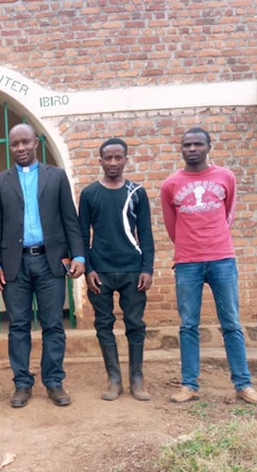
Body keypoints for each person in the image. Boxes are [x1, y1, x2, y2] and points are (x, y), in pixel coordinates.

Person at [161, 127, 257, 405]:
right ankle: (189, 385)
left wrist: (215, 240)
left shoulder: (225, 177)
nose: (192, 149)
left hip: (222, 259)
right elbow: (172, 226)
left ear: (208, 147)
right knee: (188, 325)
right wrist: (189, 246)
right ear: (181, 149)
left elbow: (228, 213)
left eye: (197, 144)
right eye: (186, 145)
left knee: (231, 323)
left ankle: (243, 385)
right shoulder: (170, 184)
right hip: (187, 263)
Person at [0, 123, 85, 408]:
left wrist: (78, 255)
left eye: (25, 142)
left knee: (53, 324)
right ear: (10, 147)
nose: (20, 148)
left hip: (50, 261)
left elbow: (70, 218)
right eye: (15, 144)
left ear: (36, 143)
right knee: (18, 325)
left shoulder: (56, 177)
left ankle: (54, 382)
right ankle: (21, 384)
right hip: (14, 264)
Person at [79, 138, 154, 402]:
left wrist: (147, 268)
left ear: (125, 159)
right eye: (107, 158)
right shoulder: (89, 194)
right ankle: (114, 378)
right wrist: (88, 269)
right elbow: (81, 235)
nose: (113, 163)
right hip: (100, 271)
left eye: (117, 158)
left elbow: (145, 233)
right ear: (100, 161)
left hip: (133, 269)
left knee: (135, 324)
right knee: (103, 324)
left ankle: (137, 378)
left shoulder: (137, 192)